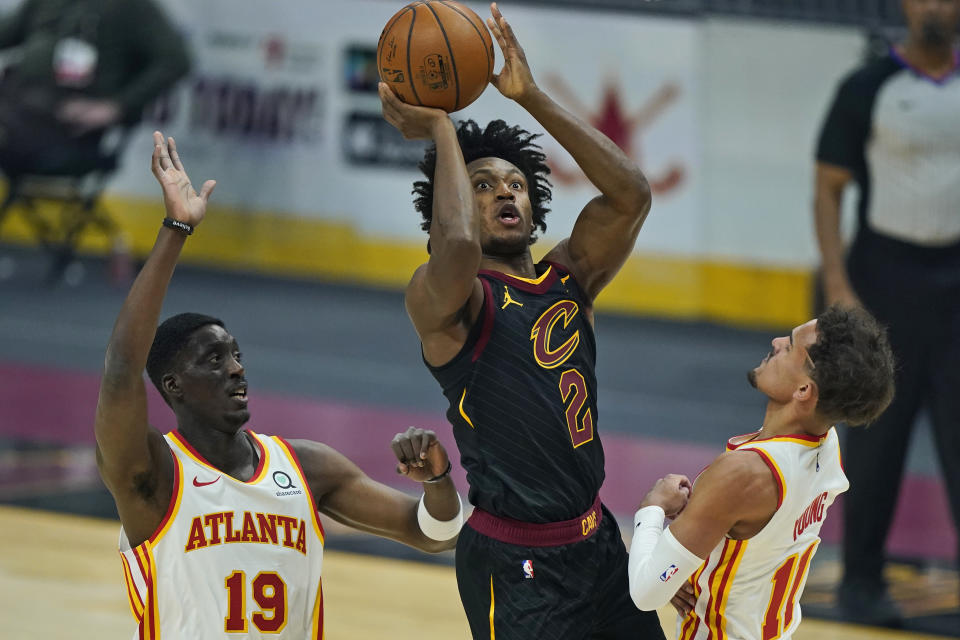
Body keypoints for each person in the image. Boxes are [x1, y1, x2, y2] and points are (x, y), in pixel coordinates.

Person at [94, 131, 464, 639]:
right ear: (173, 385)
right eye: (214, 358)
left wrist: (438, 482)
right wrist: (177, 228)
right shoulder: (154, 476)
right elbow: (120, 370)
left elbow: (435, 533)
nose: (236, 369)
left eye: (237, 355)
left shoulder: (307, 467)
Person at [380, 3, 663, 638]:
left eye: (515, 184)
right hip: (516, 562)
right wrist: (443, 131)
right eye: (482, 186)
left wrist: (530, 96)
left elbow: (631, 195)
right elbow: (453, 248)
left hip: (598, 543)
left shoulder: (570, 277)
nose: (504, 192)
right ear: (447, 210)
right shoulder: (450, 299)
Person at [812, 0, 960, 624]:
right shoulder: (866, 86)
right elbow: (827, 188)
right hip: (883, 283)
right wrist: (838, 284)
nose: (935, 6)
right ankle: (861, 583)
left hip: (956, 289)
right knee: (874, 443)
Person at [627, 306, 896, 640]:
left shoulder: (745, 473)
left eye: (789, 346)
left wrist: (651, 508)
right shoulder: (827, 443)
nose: (776, 341)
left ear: (803, 391)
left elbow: (645, 592)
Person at [0, 0, 189, 176]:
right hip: (15, 108)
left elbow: (175, 61)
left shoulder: (131, 7)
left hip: (66, 129)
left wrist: (116, 107)